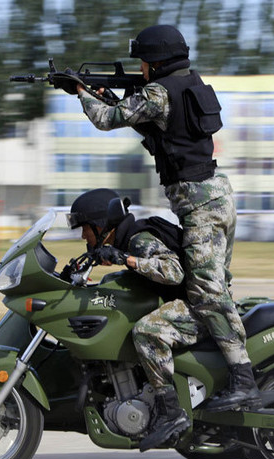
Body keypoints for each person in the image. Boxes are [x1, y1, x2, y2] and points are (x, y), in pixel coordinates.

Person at [71, 25, 261, 413]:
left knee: (207, 293)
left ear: (155, 62)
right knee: (212, 286)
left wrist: (81, 93)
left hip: (201, 208)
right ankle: (211, 368)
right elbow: (157, 128)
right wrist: (110, 96)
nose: (140, 69)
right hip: (214, 197)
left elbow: (106, 119)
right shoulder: (189, 85)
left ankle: (244, 380)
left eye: (143, 62)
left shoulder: (158, 92)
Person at [67, 188, 208, 451]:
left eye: (85, 228)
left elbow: (174, 272)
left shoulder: (138, 240)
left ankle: (171, 412)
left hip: (200, 307)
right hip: (187, 302)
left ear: (101, 225)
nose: (84, 235)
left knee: (146, 331)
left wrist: (126, 259)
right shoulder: (126, 239)